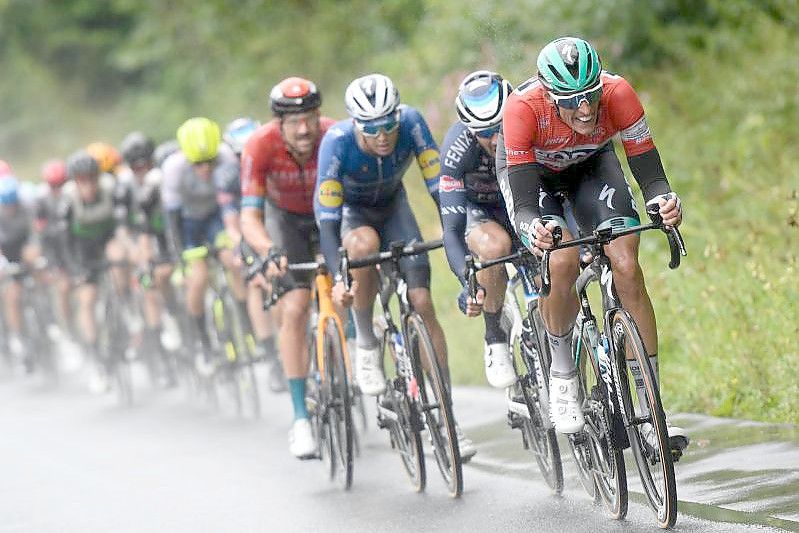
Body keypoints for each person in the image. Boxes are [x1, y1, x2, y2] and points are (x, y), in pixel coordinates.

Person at [499, 36, 688, 453]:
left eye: (591, 96)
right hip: (536, 178)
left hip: (592, 168)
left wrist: (662, 200)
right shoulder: (523, 108)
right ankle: (563, 372)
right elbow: (526, 203)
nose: (585, 109)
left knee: (626, 262)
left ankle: (652, 408)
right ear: (551, 95)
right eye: (572, 100)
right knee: (562, 259)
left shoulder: (618, 93)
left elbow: (649, 170)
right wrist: (534, 230)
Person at [315, 73, 476, 459]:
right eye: (372, 129)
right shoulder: (336, 143)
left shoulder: (413, 123)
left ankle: (447, 418)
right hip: (354, 217)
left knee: (422, 301)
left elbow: (441, 187)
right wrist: (340, 275)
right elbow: (327, 219)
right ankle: (367, 341)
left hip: (395, 208)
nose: (384, 135)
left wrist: (453, 231)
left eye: (389, 124)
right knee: (364, 246)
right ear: (356, 124)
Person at [240, 77, 335, 458]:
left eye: (309, 118)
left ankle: (348, 354)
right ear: (277, 122)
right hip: (286, 223)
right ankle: (300, 419)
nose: (303, 129)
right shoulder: (259, 146)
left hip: (328, 214)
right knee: (294, 307)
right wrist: (267, 251)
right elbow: (250, 217)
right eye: (293, 121)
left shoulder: (334, 135)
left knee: (342, 286)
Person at [439, 70, 518, 389]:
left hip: (518, 200)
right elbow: (452, 230)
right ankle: (494, 337)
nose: (497, 138)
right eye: (486, 133)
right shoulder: (456, 148)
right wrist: (468, 282)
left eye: (502, 126)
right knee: (494, 247)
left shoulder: (528, 124)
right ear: (471, 130)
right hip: (478, 210)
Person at [162, 117, 248, 376]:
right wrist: (180, 258)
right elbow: (172, 220)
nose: (205, 169)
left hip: (217, 217)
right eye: (198, 164)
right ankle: (204, 343)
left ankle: (246, 322)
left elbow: (236, 202)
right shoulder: (173, 169)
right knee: (198, 278)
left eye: (209, 162)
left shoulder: (226, 157)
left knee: (233, 262)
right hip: (189, 223)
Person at [59, 150, 126, 392]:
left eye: (91, 178)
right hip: (83, 251)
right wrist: (76, 270)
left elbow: (123, 223)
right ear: (75, 181)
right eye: (82, 179)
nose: (88, 184)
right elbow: (65, 242)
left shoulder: (110, 188)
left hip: (107, 240)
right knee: (87, 300)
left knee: (118, 258)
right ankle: (97, 359)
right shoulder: (68, 200)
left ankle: (126, 307)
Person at [117, 131, 178, 386]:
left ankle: (176, 311)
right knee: (147, 285)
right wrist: (136, 255)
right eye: (135, 166)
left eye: (145, 164)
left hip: (165, 233)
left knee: (170, 275)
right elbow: (124, 228)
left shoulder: (162, 177)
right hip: (140, 236)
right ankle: (157, 347)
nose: (141, 170)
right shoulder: (124, 186)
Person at [222, 117, 280, 381]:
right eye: (239, 154)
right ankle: (270, 353)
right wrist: (242, 250)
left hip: (276, 223)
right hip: (248, 230)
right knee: (256, 281)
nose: (246, 157)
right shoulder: (228, 176)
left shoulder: (273, 161)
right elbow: (233, 223)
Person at [33, 160, 72, 339]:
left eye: (61, 184)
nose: (58, 189)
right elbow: (42, 237)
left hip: (76, 250)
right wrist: (52, 265)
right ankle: (67, 331)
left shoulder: (72, 196)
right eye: (53, 186)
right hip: (55, 252)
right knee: (62, 288)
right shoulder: (41, 201)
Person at [0, 177, 34, 367]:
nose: (11, 208)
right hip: (9, 257)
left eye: (13, 203)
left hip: (27, 251)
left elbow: (38, 233)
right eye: (7, 205)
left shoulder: (28, 208)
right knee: (12, 295)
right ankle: (19, 336)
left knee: (40, 272)